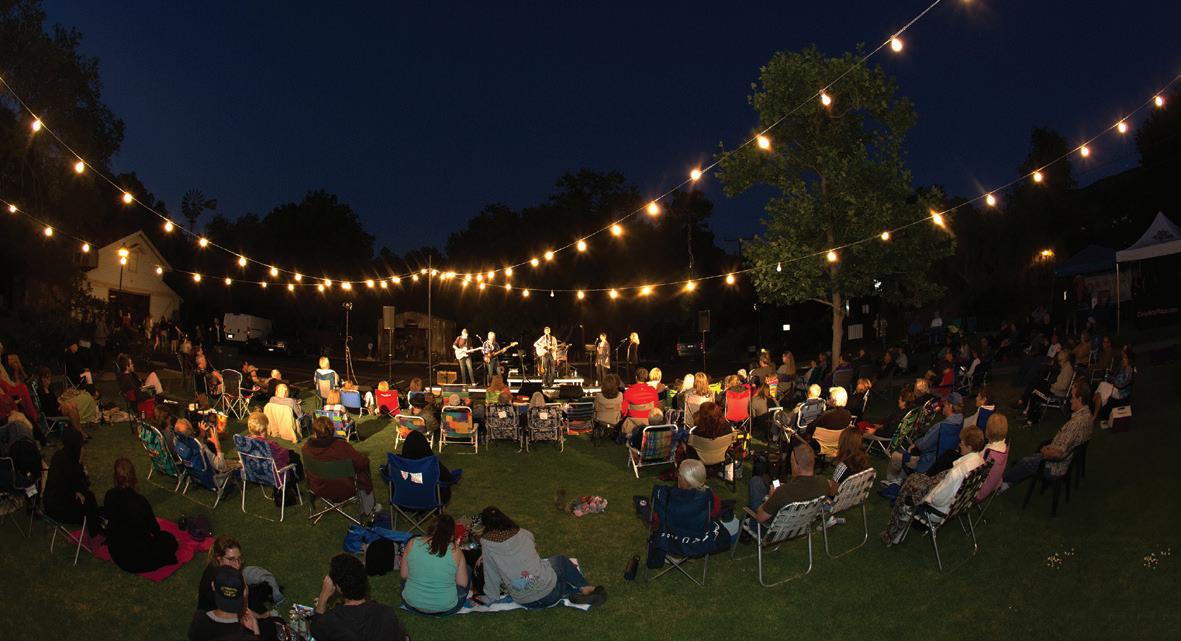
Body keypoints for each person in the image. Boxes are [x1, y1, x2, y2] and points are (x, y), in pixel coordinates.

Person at [475, 506, 606, 608]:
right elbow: (532, 546)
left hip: (525, 601)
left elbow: (491, 574)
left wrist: (490, 597)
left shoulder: (486, 544)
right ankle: (583, 588)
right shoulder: (523, 533)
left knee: (544, 581)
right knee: (558, 561)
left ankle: (570, 592)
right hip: (550, 592)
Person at [881, 426, 986, 546]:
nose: (959, 444)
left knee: (907, 494)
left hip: (937, 510)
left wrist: (924, 497)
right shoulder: (980, 461)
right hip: (958, 505)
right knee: (914, 480)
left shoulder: (958, 471)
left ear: (970, 447)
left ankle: (892, 535)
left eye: (962, 442)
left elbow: (938, 500)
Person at [1002, 380, 1094, 490]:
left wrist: (1045, 451)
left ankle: (1000, 481)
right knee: (1028, 460)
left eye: (1072, 397)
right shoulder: (1088, 415)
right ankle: (1014, 474)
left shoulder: (1075, 424)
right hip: (1065, 458)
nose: (1070, 400)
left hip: (1055, 467)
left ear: (1080, 399)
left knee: (1026, 462)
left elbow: (1058, 454)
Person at [103, 458, 178, 573]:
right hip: (137, 557)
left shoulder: (109, 495)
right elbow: (155, 529)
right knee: (169, 540)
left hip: (116, 552)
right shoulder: (139, 501)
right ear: (133, 477)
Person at [311, 554, 408, 641]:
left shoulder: (333, 620)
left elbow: (315, 630)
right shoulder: (386, 612)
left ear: (339, 588)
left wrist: (323, 596)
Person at [303, 415, 379, 516]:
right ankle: (369, 508)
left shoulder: (307, 448)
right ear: (332, 430)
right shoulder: (341, 447)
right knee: (363, 474)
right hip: (344, 489)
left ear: (315, 432)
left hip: (318, 487)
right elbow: (362, 462)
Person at [885, 392, 964, 485]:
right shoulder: (960, 421)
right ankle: (901, 480)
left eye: (945, 403)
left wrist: (915, 444)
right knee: (908, 454)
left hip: (927, 463)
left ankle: (892, 483)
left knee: (896, 455)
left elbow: (923, 445)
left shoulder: (941, 427)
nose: (943, 406)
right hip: (942, 463)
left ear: (950, 406)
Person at [747, 442, 836, 523]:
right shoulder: (823, 483)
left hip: (773, 529)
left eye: (791, 462)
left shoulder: (783, 492)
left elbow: (760, 517)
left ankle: (747, 521)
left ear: (797, 465)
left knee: (756, 481)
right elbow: (834, 490)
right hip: (801, 525)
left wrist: (770, 498)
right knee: (764, 482)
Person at [400, 513, 469, 616]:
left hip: (412, 603)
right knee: (467, 571)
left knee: (405, 581)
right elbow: (462, 583)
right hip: (446, 607)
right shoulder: (456, 550)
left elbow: (404, 575)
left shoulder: (412, 543)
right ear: (451, 533)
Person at [42, 428, 101, 536]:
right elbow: (84, 486)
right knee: (89, 498)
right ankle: (96, 532)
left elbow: (68, 485)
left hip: (49, 505)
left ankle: (97, 519)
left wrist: (77, 491)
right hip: (60, 510)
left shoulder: (58, 456)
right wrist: (80, 463)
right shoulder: (72, 463)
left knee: (87, 499)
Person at [188, 567, 261, 641]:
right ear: (244, 592)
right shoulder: (244, 637)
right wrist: (256, 632)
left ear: (213, 586)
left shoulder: (199, 619)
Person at [245, 412, 303, 495]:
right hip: (275, 475)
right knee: (294, 457)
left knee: (291, 454)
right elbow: (285, 456)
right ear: (263, 429)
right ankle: (298, 479)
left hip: (257, 473)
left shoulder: (246, 441)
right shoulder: (269, 445)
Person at [400, 430, 457, 504]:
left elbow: (387, 475)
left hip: (403, 502)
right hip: (429, 502)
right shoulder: (431, 463)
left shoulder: (397, 463)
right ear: (425, 446)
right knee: (443, 487)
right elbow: (448, 478)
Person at [1094, 346, 1134, 424]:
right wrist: (1110, 377)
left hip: (1120, 392)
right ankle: (1096, 412)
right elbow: (1116, 376)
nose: (1123, 359)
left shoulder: (1129, 369)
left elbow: (1121, 384)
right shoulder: (1123, 365)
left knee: (1102, 387)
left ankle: (1095, 408)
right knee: (1101, 388)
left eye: (1125, 358)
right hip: (1115, 386)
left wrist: (1111, 380)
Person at [116, 353, 162, 420]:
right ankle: (161, 402)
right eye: (131, 364)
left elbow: (137, 386)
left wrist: (142, 384)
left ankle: (161, 399)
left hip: (140, 393)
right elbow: (137, 393)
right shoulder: (127, 378)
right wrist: (150, 390)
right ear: (127, 366)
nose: (133, 365)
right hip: (140, 399)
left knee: (153, 375)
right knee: (154, 377)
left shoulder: (126, 376)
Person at [621, 367, 658, 438]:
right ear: (646, 377)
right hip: (648, 422)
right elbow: (655, 406)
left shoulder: (628, 392)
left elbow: (624, 411)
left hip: (632, 423)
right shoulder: (652, 391)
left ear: (636, 377)